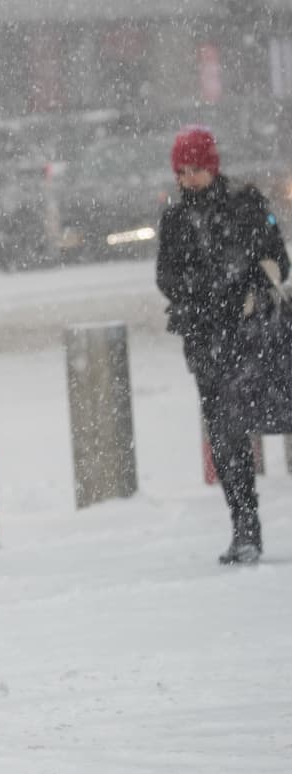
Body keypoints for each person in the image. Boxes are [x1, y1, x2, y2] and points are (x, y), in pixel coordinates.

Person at [156, 124, 290, 564]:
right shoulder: (175, 220)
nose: (190, 177)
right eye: (183, 169)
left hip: (256, 339)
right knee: (227, 438)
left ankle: (247, 532)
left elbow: (276, 261)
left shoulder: (245, 206)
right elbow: (167, 278)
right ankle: (245, 531)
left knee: (277, 415)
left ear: (213, 167)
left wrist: (243, 289)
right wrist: (203, 295)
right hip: (207, 343)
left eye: (197, 168)